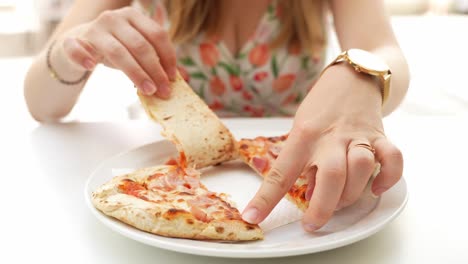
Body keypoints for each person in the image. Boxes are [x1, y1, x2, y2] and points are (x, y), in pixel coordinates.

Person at [24, 0, 409, 232]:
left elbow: (384, 49)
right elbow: (41, 104)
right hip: (166, 168)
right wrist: (73, 50)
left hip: (297, 154)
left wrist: (363, 74)